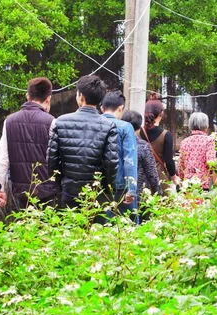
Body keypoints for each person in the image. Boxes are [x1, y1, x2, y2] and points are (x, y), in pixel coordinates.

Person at [47, 75, 118, 209]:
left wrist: (58, 183)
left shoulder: (60, 122)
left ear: (81, 97)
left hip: (68, 189)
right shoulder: (109, 126)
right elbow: (111, 162)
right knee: (94, 228)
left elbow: (52, 159)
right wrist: (108, 188)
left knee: (70, 227)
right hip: (95, 191)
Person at [0, 77, 59, 209]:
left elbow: (2, 159)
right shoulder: (52, 122)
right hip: (48, 192)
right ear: (48, 99)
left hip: (21, 193)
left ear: (27, 96)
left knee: (25, 226)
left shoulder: (9, 121)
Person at [100, 91, 138, 220]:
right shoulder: (126, 127)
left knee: (101, 227)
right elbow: (129, 159)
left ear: (101, 108)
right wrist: (132, 189)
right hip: (120, 186)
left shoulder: (95, 124)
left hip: (98, 185)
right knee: (128, 226)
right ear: (121, 108)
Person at [121, 110, 163, 198]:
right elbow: (152, 173)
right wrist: (159, 194)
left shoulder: (115, 143)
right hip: (139, 194)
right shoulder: (143, 146)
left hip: (117, 193)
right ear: (139, 128)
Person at [140, 100, 177, 191]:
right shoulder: (166, 135)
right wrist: (173, 176)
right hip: (159, 178)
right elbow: (168, 161)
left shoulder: (138, 132)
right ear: (161, 113)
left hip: (141, 177)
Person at [178, 112, 216, 190]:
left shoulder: (184, 142)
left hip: (187, 183)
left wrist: (182, 180)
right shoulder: (209, 141)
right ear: (206, 125)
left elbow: (181, 165)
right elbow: (211, 162)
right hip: (203, 183)